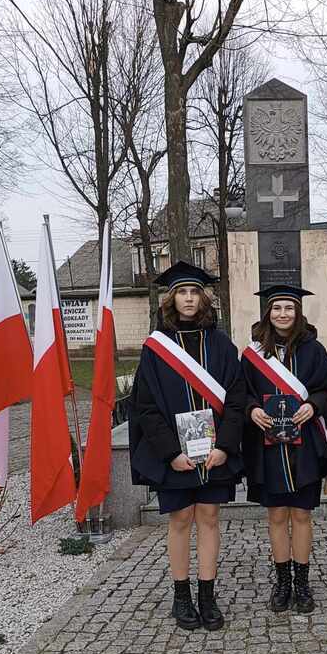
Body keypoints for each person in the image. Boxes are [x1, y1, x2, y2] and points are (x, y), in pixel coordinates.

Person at [129, 261, 245, 632]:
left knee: (209, 518)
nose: (189, 298)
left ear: (205, 298)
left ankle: (207, 595)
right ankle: (182, 597)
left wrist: (225, 446)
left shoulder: (222, 345)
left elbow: (238, 400)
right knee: (180, 520)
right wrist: (170, 453)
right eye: (182, 292)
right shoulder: (155, 348)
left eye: (195, 291)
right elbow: (145, 407)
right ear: (172, 298)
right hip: (176, 454)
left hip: (215, 455)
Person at [241, 285, 327, 613]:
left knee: (302, 515)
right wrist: (252, 408)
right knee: (277, 515)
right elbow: (243, 391)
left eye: (289, 308)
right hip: (267, 446)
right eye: (277, 308)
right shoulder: (253, 354)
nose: (283, 314)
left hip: (304, 446)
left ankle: (302, 582)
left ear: (298, 312)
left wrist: (314, 404)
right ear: (268, 312)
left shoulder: (314, 350)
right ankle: (282, 582)